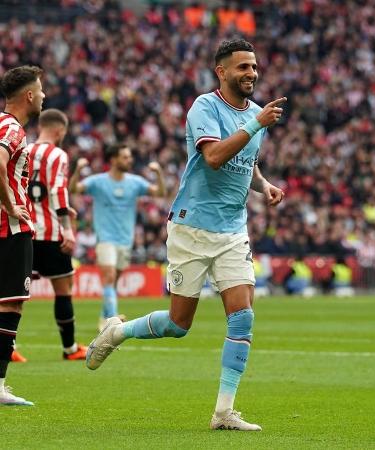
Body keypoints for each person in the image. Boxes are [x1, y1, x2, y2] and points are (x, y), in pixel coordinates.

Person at [85, 39, 286, 431]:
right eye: (243, 67)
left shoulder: (258, 115)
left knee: (242, 318)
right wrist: (254, 125)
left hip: (232, 230)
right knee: (179, 324)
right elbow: (213, 157)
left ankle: (223, 412)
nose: (252, 73)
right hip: (192, 226)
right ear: (222, 71)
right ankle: (118, 331)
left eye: (255, 66)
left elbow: (248, 163)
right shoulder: (205, 107)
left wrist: (265, 186)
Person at [69, 143, 166, 328]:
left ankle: (103, 318)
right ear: (113, 160)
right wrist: (78, 170)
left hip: (125, 240)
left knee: (112, 283)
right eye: (125, 157)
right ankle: (112, 321)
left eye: (129, 157)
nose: (130, 160)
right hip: (105, 239)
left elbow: (159, 192)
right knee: (110, 277)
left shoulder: (135, 182)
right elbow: (74, 189)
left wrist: (159, 173)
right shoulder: (98, 181)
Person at [24, 108, 86, 361]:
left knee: (13, 293)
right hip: (50, 232)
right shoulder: (57, 155)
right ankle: (69, 348)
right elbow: (59, 191)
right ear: (59, 130)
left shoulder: (24, 150)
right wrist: (67, 229)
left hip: (24, 232)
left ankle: (10, 348)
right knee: (63, 288)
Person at [0, 65, 45, 406]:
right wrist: (12, 204)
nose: (43, 96)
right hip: (11, 229)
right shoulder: (12, 127)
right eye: (40, 90)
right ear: (29, 95)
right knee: (11, 303)